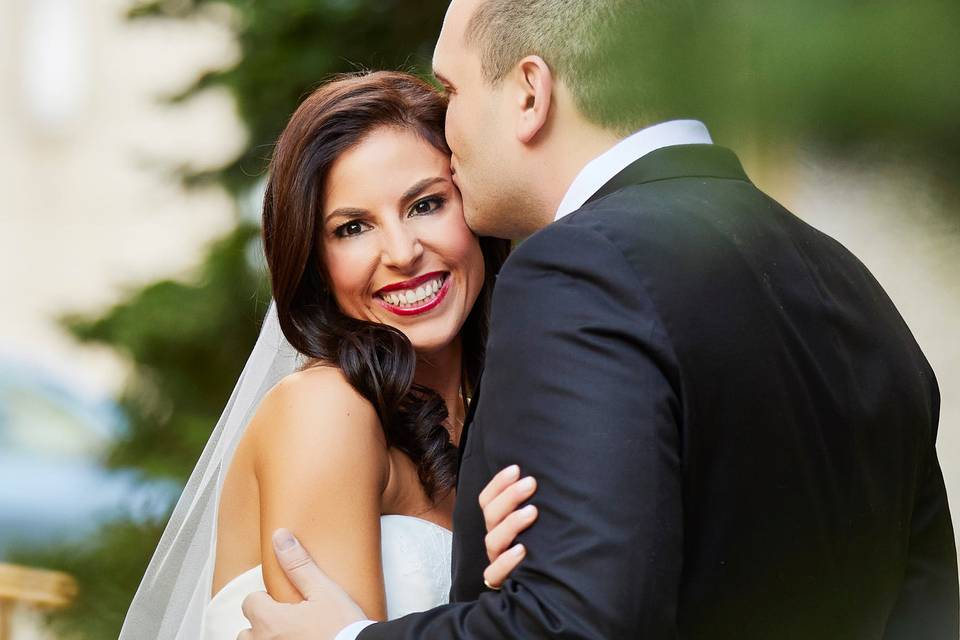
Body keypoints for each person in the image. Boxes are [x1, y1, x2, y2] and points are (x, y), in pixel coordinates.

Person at [240, 0, 960, 639]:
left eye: (453, 91)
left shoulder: (579, 271)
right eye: (351, 227)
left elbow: (580, 619)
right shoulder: (843, 279)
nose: (449, 129)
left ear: (530, 92)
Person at [119, 71, 529, 639]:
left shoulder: (503, 412)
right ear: (316, 264)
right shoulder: (324, 410)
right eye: (353, 227)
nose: (403, 252)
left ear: (474, 203)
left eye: (426, 204)